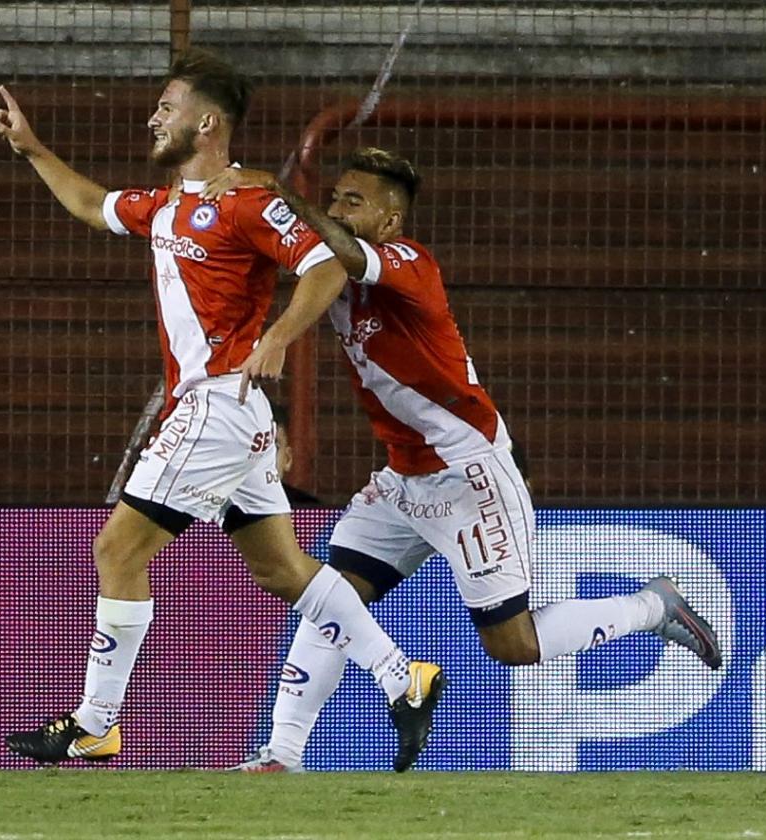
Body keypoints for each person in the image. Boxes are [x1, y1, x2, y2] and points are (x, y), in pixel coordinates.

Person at [0, 50, 443, 772]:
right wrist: (33, 147)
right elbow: (88, 203)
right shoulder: (166, 205)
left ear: (206, 123)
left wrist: (278, 337)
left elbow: (326, 266)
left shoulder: (250, 204)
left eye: (166, 108)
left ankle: (96, 723)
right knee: (283, 570)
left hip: (216, 410)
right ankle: (402, 676)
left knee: (117, 551)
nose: (153, 117)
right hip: (237, 416)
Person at [201, 150, 723, 773]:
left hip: (469, 476)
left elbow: (337, 247)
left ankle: (653, 606)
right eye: (335, 197)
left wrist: (281, 191)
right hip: (403, 478)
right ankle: (282, 754)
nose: (337, 210)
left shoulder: (409, 263)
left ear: (391, 222)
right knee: (329, 595)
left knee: (513, 643)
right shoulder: (334, 274)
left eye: (353, 202)